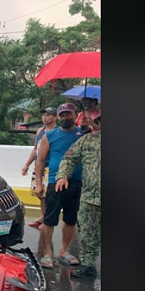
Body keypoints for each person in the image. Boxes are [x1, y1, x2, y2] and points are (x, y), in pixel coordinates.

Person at [34, 103, 84, 269]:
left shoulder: (82, 134)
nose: (65, 118)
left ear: (74, 115)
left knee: (70, 219)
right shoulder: (49, 135)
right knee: (49, 219)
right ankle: (48, 253)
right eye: (62, 115)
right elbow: (40, 160)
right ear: (58, 117)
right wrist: (39, 183)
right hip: (56, 182)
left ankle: (64, 251)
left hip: (76, 182)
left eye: (68, 114)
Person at [56, 109, 101, 278]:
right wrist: (62, 176)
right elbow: (69, 159)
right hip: (90, 197)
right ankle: (88, 266)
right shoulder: (87, 140)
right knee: (88, 232)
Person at [21, 107, 58, 229]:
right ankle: (43, 216)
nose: (45, 117)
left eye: (48, 115)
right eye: (44, 115)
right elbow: (35, 149)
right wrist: (27, 164)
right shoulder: (39, 131)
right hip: (39, 165)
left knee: (48, 195)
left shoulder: (57, 131)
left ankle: (46, 219)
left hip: (49, 165)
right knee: (39, 193)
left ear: (55, 117)